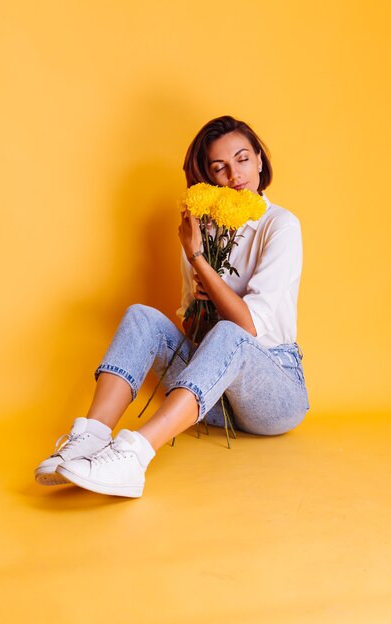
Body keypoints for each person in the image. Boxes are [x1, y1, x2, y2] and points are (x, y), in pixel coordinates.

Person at [35, 115, 310, 498]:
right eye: (220, 167)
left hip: (274, 396)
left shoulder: (280, 226)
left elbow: (248, 328)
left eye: (243, 159)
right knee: (141, 315)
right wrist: (199, 306)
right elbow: (191, 337)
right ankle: (90, 440)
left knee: (230, 331)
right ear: (209, 177)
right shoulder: (200, 233)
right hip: (212, 401)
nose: (235, 174)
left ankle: (133, 456)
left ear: (260, 160)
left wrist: (199, 260)